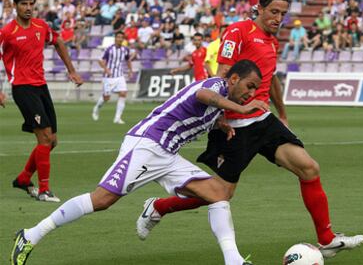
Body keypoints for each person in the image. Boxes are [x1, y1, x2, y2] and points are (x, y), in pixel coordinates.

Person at [137, 0, 363, 259]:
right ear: (260, 8)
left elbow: (271, 79)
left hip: (263, 120)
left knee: (309, 168)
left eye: (283, 13)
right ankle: (158, 207)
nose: (278, 18)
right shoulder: (238, 32)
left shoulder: (272, 41)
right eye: (274, 12)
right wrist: (220, 116)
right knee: (220, 193)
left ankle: (326, 240)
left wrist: (282, 113)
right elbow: (223, 74)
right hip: (234, 124)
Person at [11, 59, 268, 265]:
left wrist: (220, 123)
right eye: (249, 86)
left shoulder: (221, 103)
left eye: (255, 88)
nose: (251, 93)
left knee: (219, 193)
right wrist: (243, 110)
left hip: (166, 155)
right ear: (234, 79)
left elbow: (197, 110)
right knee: (102, 200)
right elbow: (202, 94)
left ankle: (232, 259)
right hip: (146, 145)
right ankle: (31, 235)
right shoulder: (216, 86)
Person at [0, 0, 83, 202]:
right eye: (23, 4)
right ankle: (44, 190)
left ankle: (23, 178)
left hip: (41, 87)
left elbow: (59, 42)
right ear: (15, 6)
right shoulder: (7, 32)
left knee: (52, 141)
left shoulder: (41, 26)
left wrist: (71, 70)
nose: (28, 8)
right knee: (44, 138)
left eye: (31, 4)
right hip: (22, 88)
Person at [92, 31, 132, 124]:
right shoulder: (109, 49)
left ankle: (117, 118)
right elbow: (100, 60)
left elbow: (128, 60)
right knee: (106, 98)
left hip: (120, 75)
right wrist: (106, 69)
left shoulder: (125, 49)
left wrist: (130, 70)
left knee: (123, 93)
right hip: (109, 77)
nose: (120, 39)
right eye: (118, 37)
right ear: (115, 38)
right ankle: (96, 108)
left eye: (121, 37)